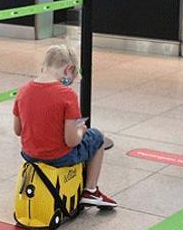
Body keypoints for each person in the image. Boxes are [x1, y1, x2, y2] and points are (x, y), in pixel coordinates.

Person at [13, 44, 117, 208]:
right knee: (97, 137)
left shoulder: (23, 90)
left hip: (30, 155)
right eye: (72, 78)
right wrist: (81, 130)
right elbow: (71, 141)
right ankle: (90, 190)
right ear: (69, 69)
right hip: (59, 157)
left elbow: (17, 130)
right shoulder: (67, 95)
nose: (69, 83)